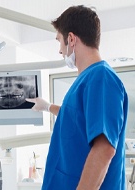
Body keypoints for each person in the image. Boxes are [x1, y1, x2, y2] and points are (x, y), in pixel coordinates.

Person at [26, 5, 128, 190]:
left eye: (59, 41)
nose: (60, 50)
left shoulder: (101, 78)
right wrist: (47, 106)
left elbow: (104, 148)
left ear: (71, 39)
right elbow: (76, 119)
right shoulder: (87, 80)